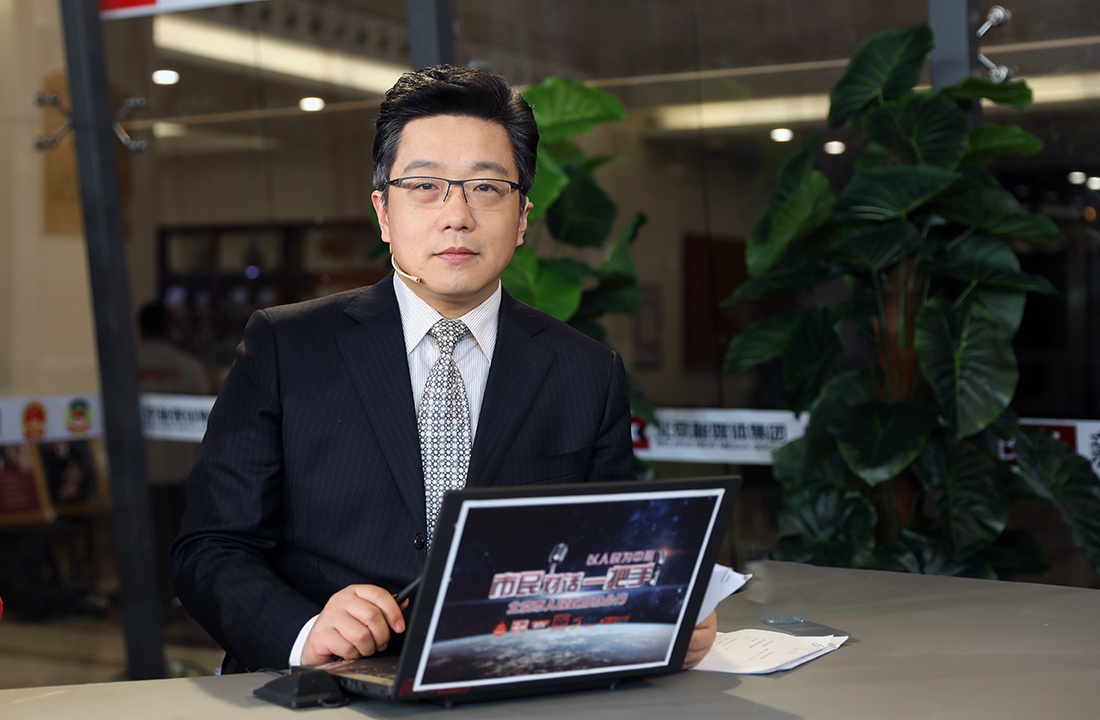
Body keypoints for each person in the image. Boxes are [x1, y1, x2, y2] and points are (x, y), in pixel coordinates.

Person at [170, 65, 717, 674]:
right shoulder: (285, 347)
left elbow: (607, 555)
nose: (457, 215)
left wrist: (663, 614)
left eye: (486, 188)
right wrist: (304, 633)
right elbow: (211, 547)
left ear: (523, 217)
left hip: (507, 685)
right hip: (326, 689)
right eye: (425, 186)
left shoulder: (585, 371)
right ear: (383, 211)